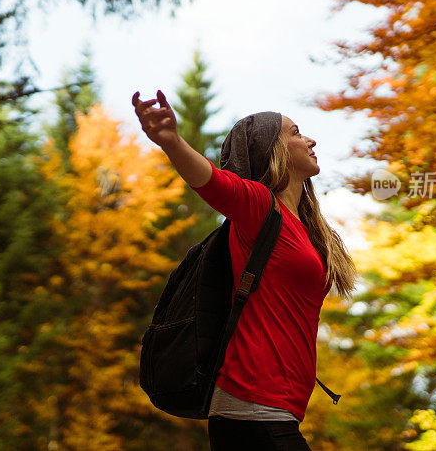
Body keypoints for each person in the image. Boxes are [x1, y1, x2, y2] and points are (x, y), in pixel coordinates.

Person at [132, 89, 358, 451]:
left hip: (275, 411)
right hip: (252, 407)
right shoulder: (258, 208)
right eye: (296, 132)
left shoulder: (304, 226)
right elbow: (211, 181)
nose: (310, 139)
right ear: (273, 150)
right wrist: (171, 141)